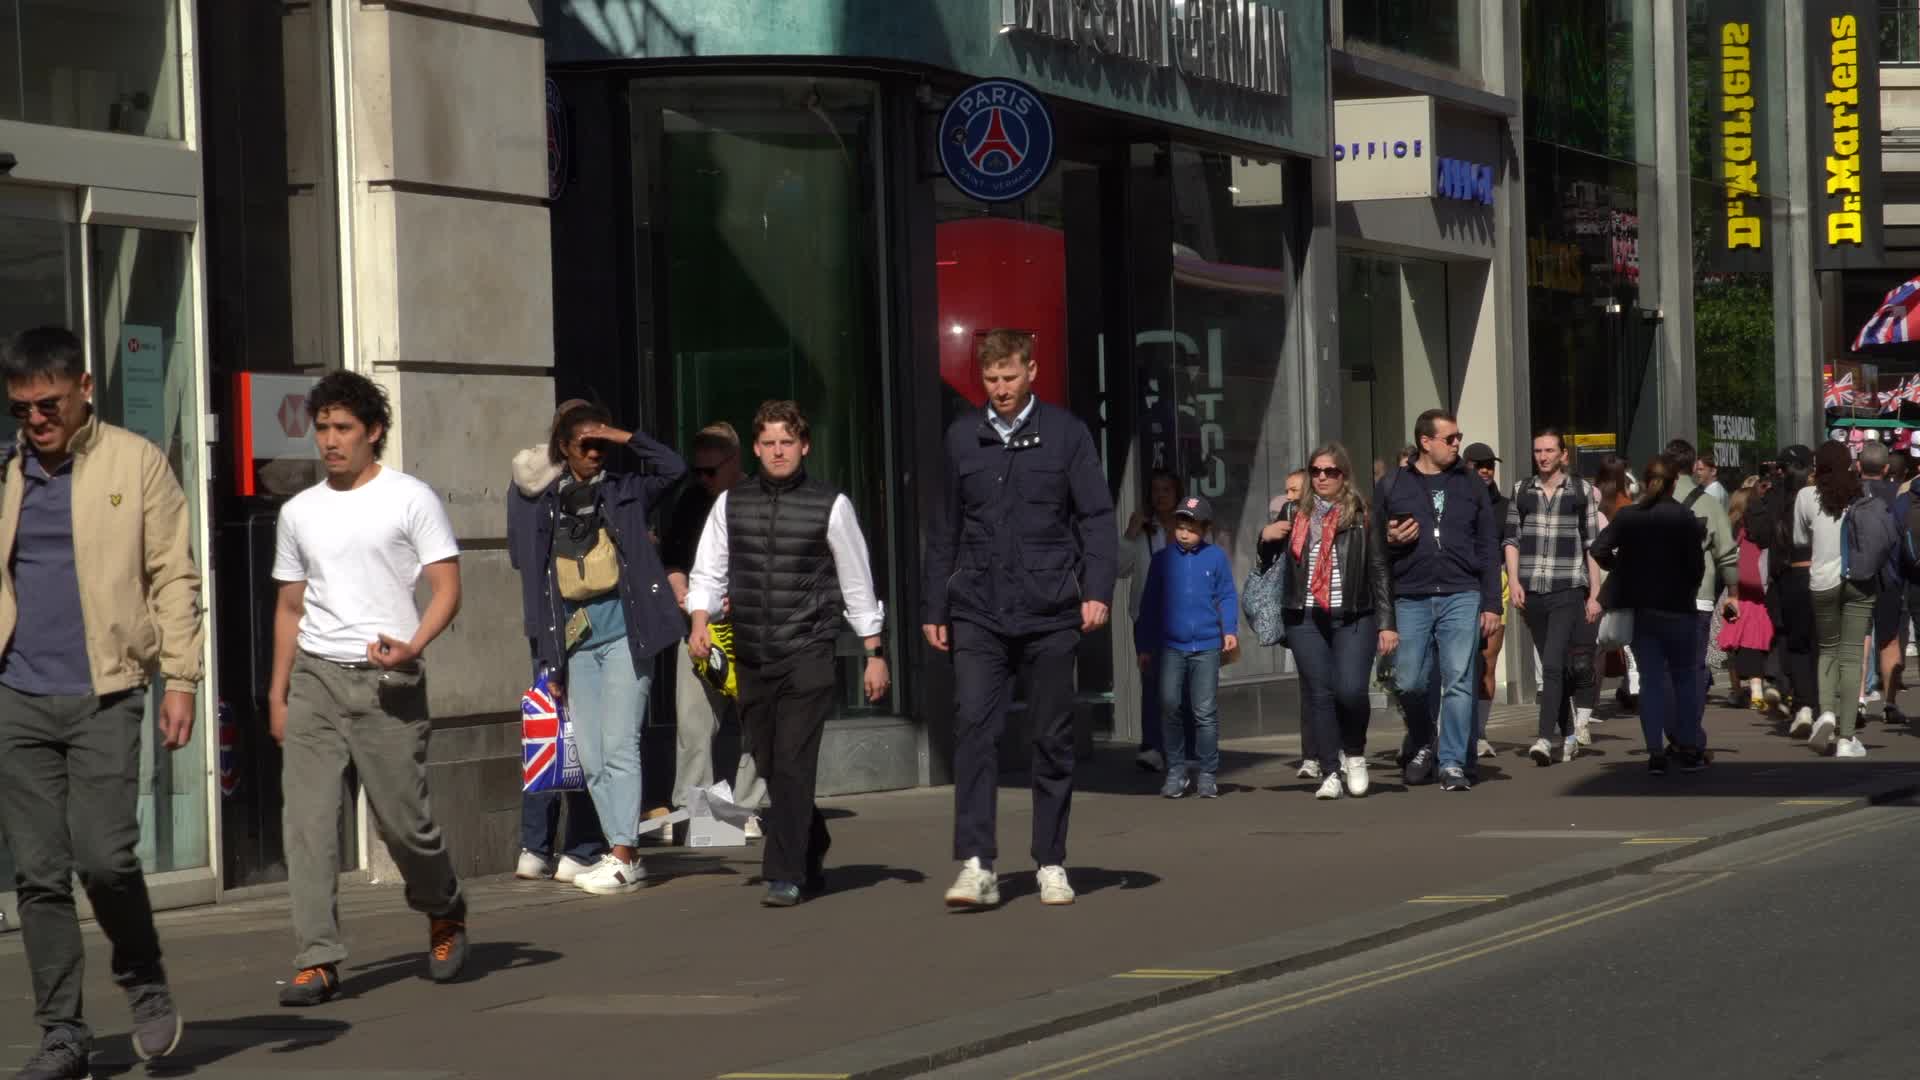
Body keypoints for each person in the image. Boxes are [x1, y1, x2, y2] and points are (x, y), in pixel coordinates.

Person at [0, 327, 199, 1078]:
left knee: (105, 859)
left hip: (106, 691)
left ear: (85, 386)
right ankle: (63, 1035)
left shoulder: (135, 462)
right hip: (17, 693)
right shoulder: (9, 470)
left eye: (47, 403)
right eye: (21, 409)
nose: (36, 420)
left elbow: (173, 576)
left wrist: (181, 677)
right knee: (40, 875)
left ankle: (143, 975)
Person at [270, 371, 469, 1006]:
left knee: (404, 826)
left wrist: (414, 644)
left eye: (342, 429)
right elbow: (289, 607)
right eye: (322, 428)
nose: (329, 441)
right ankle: (318, 958)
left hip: (389, 680)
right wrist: (277, 693)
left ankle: (443, 906)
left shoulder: (410, 498)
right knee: (306, 824)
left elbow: (447, 588)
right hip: (315, 680)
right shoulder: (298, 511)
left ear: (373, 431)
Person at [923, 329, 1116, 910]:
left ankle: (1051, 862)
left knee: (1050, 737)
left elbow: (1097, 519)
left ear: (1031, 371)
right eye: (990, 380)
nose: (1001, 390)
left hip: (1053, 609)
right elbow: (942, 531)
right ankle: (977, 864)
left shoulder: (1066, 435)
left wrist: (1097, 590)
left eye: (1009, 378)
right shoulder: (962, 438)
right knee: (974, 729)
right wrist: (935, 605)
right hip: (978, 609)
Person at [687, 401, 889, 907]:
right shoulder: (731, 503)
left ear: (804, 446)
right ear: (756, 449)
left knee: (795, 763)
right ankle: (812, 840)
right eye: (769, 443)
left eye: (787, 442)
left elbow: (856, 579)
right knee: (774, 763)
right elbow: (708, 570)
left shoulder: (830, 504)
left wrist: (874, 650)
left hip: (809, 650)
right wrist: (700, 621)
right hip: (753, 651)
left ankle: (784, 871)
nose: (778, 451)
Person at [507, 399, 686, 895]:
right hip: (576, 642)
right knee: (589, 754)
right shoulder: (546, 503)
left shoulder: (625, 491)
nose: (594, 452)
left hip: (629, 634)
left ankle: (626, 852)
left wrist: (622, 435)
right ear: (562, 449)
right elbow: (536, 578)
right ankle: (615, 849)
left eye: (600, 444)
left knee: (619, 743)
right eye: (584, 444)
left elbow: (675, 468)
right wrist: (551, 659)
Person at [1375, 410, 1502, 792]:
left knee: (1460, 681)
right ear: (1424, 442)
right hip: (1411, 595)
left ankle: (1452, 764)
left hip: (1461, 593)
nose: (1457, 444)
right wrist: (1391, 539)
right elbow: (1375, 550)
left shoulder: (1470, 483)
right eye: (1450, 439)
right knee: (1409, 681)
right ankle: (1425, 737)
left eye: (1458, 437)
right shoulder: (1393, 483)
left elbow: (1487, 544)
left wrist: (1492, 602)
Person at [1266, 444, 1395, 800]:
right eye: (1316, 471)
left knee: (1351, 691)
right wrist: (1264, 541)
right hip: (1304, 616)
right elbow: (1269, 566)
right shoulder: (1294, 512)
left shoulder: (1364, 514)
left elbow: (1380, 569)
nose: (1322, 477)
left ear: (1344, 475)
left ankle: (1353, 753)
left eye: (1331, 471)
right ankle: (1330, 771)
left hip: (1354, 614)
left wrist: (1387, 623)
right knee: (1319, 694)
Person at [661, 422, 766, 833]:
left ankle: (749, 807)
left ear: (734, 462)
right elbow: (671, 561)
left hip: (749, 623)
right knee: (693, 721)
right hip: (699, 622)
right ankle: (698, 810)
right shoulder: (690, 503)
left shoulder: (755, 499)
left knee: (757, 717)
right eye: (697, 471)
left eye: (711, 471)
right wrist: (683, 594)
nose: (704, 480)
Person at [1589, 454, 1707, 774]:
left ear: (1643, 482)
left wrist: (1622, 570)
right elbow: (1697, 566)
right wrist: (1687, 587)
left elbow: (1598, 548)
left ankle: (1655, 752)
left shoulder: (1629, 517)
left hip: (1643, 610)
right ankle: (1690, 746)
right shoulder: (1684, 517)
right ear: (1673, 484)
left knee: (1652, 682)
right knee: (1684, 680)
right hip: (1680, 608)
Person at [1504, 429, 1604, 766]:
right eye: (1538, 451)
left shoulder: (1581, 492)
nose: (1543, 457)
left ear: (1563, 454)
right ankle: (1572, 735)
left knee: (1549, 665)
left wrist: (1595, 594)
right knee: (1556, 666)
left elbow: (1593, 544)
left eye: (1549, 450)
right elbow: (1511, 541)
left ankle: (1544, 739)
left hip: (1567, 588)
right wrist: (1514, 581)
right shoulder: (1521, 490)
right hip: (1532, 590)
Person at [1135, 495, 1239, 798]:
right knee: (1169, 705)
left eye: (1191, 528)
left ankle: (1207, 772)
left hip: (1206, 645)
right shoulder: (1162, 560)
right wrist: (1144, 645)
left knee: (1204, 710)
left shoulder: (1216, 558)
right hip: (1170, 646)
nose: (1184, 533)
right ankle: (1176, 770)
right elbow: (1149, 605)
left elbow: (1227, 595)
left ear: (1204, 529)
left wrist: (1229, 629)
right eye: (1180, 527)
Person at [1797, 441, 1877, 757]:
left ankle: (1826, 711)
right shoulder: (1861, 495)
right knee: (1852, 655)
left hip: (1822, 582)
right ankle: (1846, 737)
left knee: (1827, 650)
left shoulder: (1806, 496)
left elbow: (1799, 539)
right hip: (1858, 579)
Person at [1666, 439, 1739, 757]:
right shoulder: (1708, 504)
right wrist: (1733, 593)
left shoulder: (1652, 501)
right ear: (1693, 465)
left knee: (1665, 670)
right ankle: (1690, 737)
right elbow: (1727, 553)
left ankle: (1672, 734)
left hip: (1660, 599)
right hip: (1699, 598)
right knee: (1693, 669)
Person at [1118, 468, 1183, 773]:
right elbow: (1119, 569)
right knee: (1152, 682)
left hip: (1184, 614)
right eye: (1155, 490)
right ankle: (1152, 746)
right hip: (1148, 617)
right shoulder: (1145, 530)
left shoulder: (1189, 527)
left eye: (1166, 489)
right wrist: (1130, 534)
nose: (1160, 496)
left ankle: (1182, 747)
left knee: (1183, 683)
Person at [1260, 469, 1324, 779]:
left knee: (1339, 686)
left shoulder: (1332, 517)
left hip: (1333, 610)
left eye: (1295, 491)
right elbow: (1269, 561)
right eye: (1287, 490)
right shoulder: (1286, 518)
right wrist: (1265, 537)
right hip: (1300, 611)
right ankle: (1311, 756)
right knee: (1310, 686)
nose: (1289, 497)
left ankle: (1339, 747)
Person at [1764, 448, 1820, 735]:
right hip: (1821, 574)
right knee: (1819, 644)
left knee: (1794, 642)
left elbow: (1757, 531)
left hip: (1789, 575)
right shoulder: (1819, 496)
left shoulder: (1778, 499)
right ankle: (1819, 706)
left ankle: (1803, 703)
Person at [1858, 441, 1907, 726]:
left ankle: (1860, 699)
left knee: (1861, 635)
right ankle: (1890, 703)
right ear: (1886, 468)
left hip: (1859, 575)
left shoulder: (1851, 493)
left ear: (1859, 465)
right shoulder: (1898, 494)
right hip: (1891, 574)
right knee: (1889, 640)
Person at [1465, 444, 1506, 760]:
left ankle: (1479, 733)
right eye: (1479, 465)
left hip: (1494, 590)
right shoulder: (1455, 501)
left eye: (1489, 465)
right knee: (1454, 666)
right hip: (1458, 589)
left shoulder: (1505, 507)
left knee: (1487, 663)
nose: (1485, 470)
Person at [1717, 488, 1776, 711]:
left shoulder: (1734, 530)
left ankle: (1737, 691)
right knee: (1756, 641)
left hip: (1736, 594)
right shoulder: (1762, 530)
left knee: (1732, 643)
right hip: (1759, 595)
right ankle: (1758, 689)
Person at [1593, 454, 1640, 712]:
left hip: (1599, 570)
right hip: (1618, 570)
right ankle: (1631, 683)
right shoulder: (1626, 499)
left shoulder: (1592, 494)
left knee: (1598, 641)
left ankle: (1589, 701)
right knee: (1628, 633)